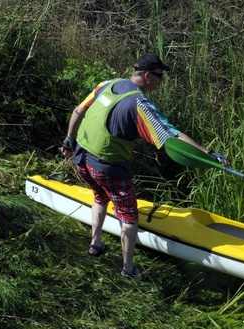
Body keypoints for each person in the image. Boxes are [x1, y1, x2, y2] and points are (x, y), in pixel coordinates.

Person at [60, 53, 229, 280]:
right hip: (109, 167)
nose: (162, 81)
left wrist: (69, 140)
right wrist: (208, 154)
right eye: (160, 76)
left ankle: (96, 243)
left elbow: (78, 111)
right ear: (148, 76)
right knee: (129, 216)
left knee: (100, 195)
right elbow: (171, 135)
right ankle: (128, 269)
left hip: (81, 158)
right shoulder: (141, 104)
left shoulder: (106, 85)